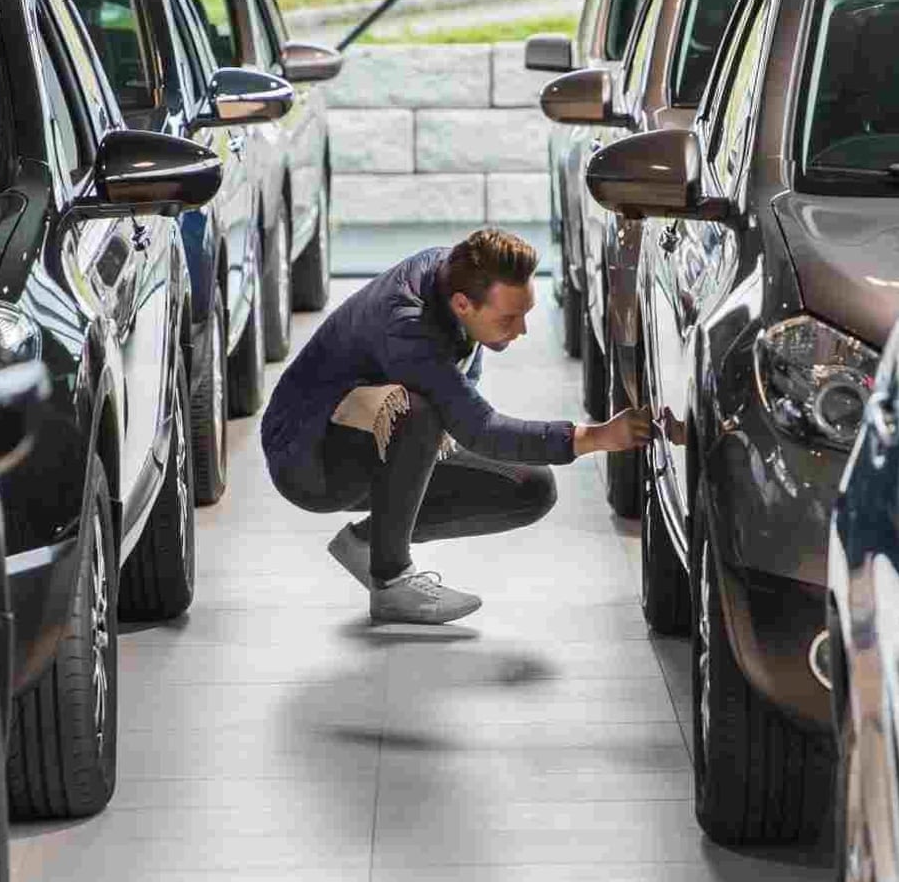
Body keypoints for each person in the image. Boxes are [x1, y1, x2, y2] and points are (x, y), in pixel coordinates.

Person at [261, 227, 655, 624]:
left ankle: (367, 544)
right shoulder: (408, 325)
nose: (521, 330)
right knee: (419, 413)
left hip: (374, 440)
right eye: (509, 318)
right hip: (307, 458)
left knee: (530, 487)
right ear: (463, 304)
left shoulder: (455, 277)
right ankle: (391, 580)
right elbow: (481, 429)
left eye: (525, 314)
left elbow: (466, 409)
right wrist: (596, 437)